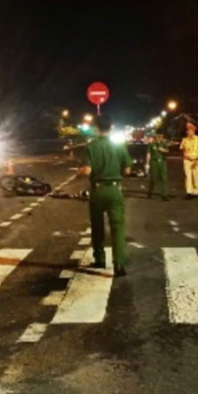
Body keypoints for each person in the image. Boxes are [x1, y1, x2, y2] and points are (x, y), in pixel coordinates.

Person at [78, 115, 133, 276]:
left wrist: (79, 172)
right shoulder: (119, 146)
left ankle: (100, 259)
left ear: (96, 128)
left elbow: (87, 171)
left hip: (97, 190)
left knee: (97, 226)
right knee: (118, 227)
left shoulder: (92, 146)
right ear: (111, 128)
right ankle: (119, 264)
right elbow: (127, 170)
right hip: (115, 190)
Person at [180, 121, 198, 199]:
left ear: (193, 131)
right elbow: (182, 150)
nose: (189, 132)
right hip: (187, 160)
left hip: (196, 160)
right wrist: (185, 155)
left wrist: (197, 160)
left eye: (190, 130)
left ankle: (195, 191)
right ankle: (189, 192)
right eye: (188, 130)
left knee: (195, 176)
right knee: (188, 176)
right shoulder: (184, 140)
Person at [145, 130, 170, 201]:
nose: (159, 138)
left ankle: (164, 195)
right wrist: (147, 163)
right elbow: (148, 154)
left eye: (161, 136)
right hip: (154, 162)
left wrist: (163, 150)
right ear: (156, 136)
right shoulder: (152, 144)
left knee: (164, 178)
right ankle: (150, 192)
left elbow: (168, 151)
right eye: (158, 136)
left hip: (162, 162)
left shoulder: (164, 143)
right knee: (153, 178)